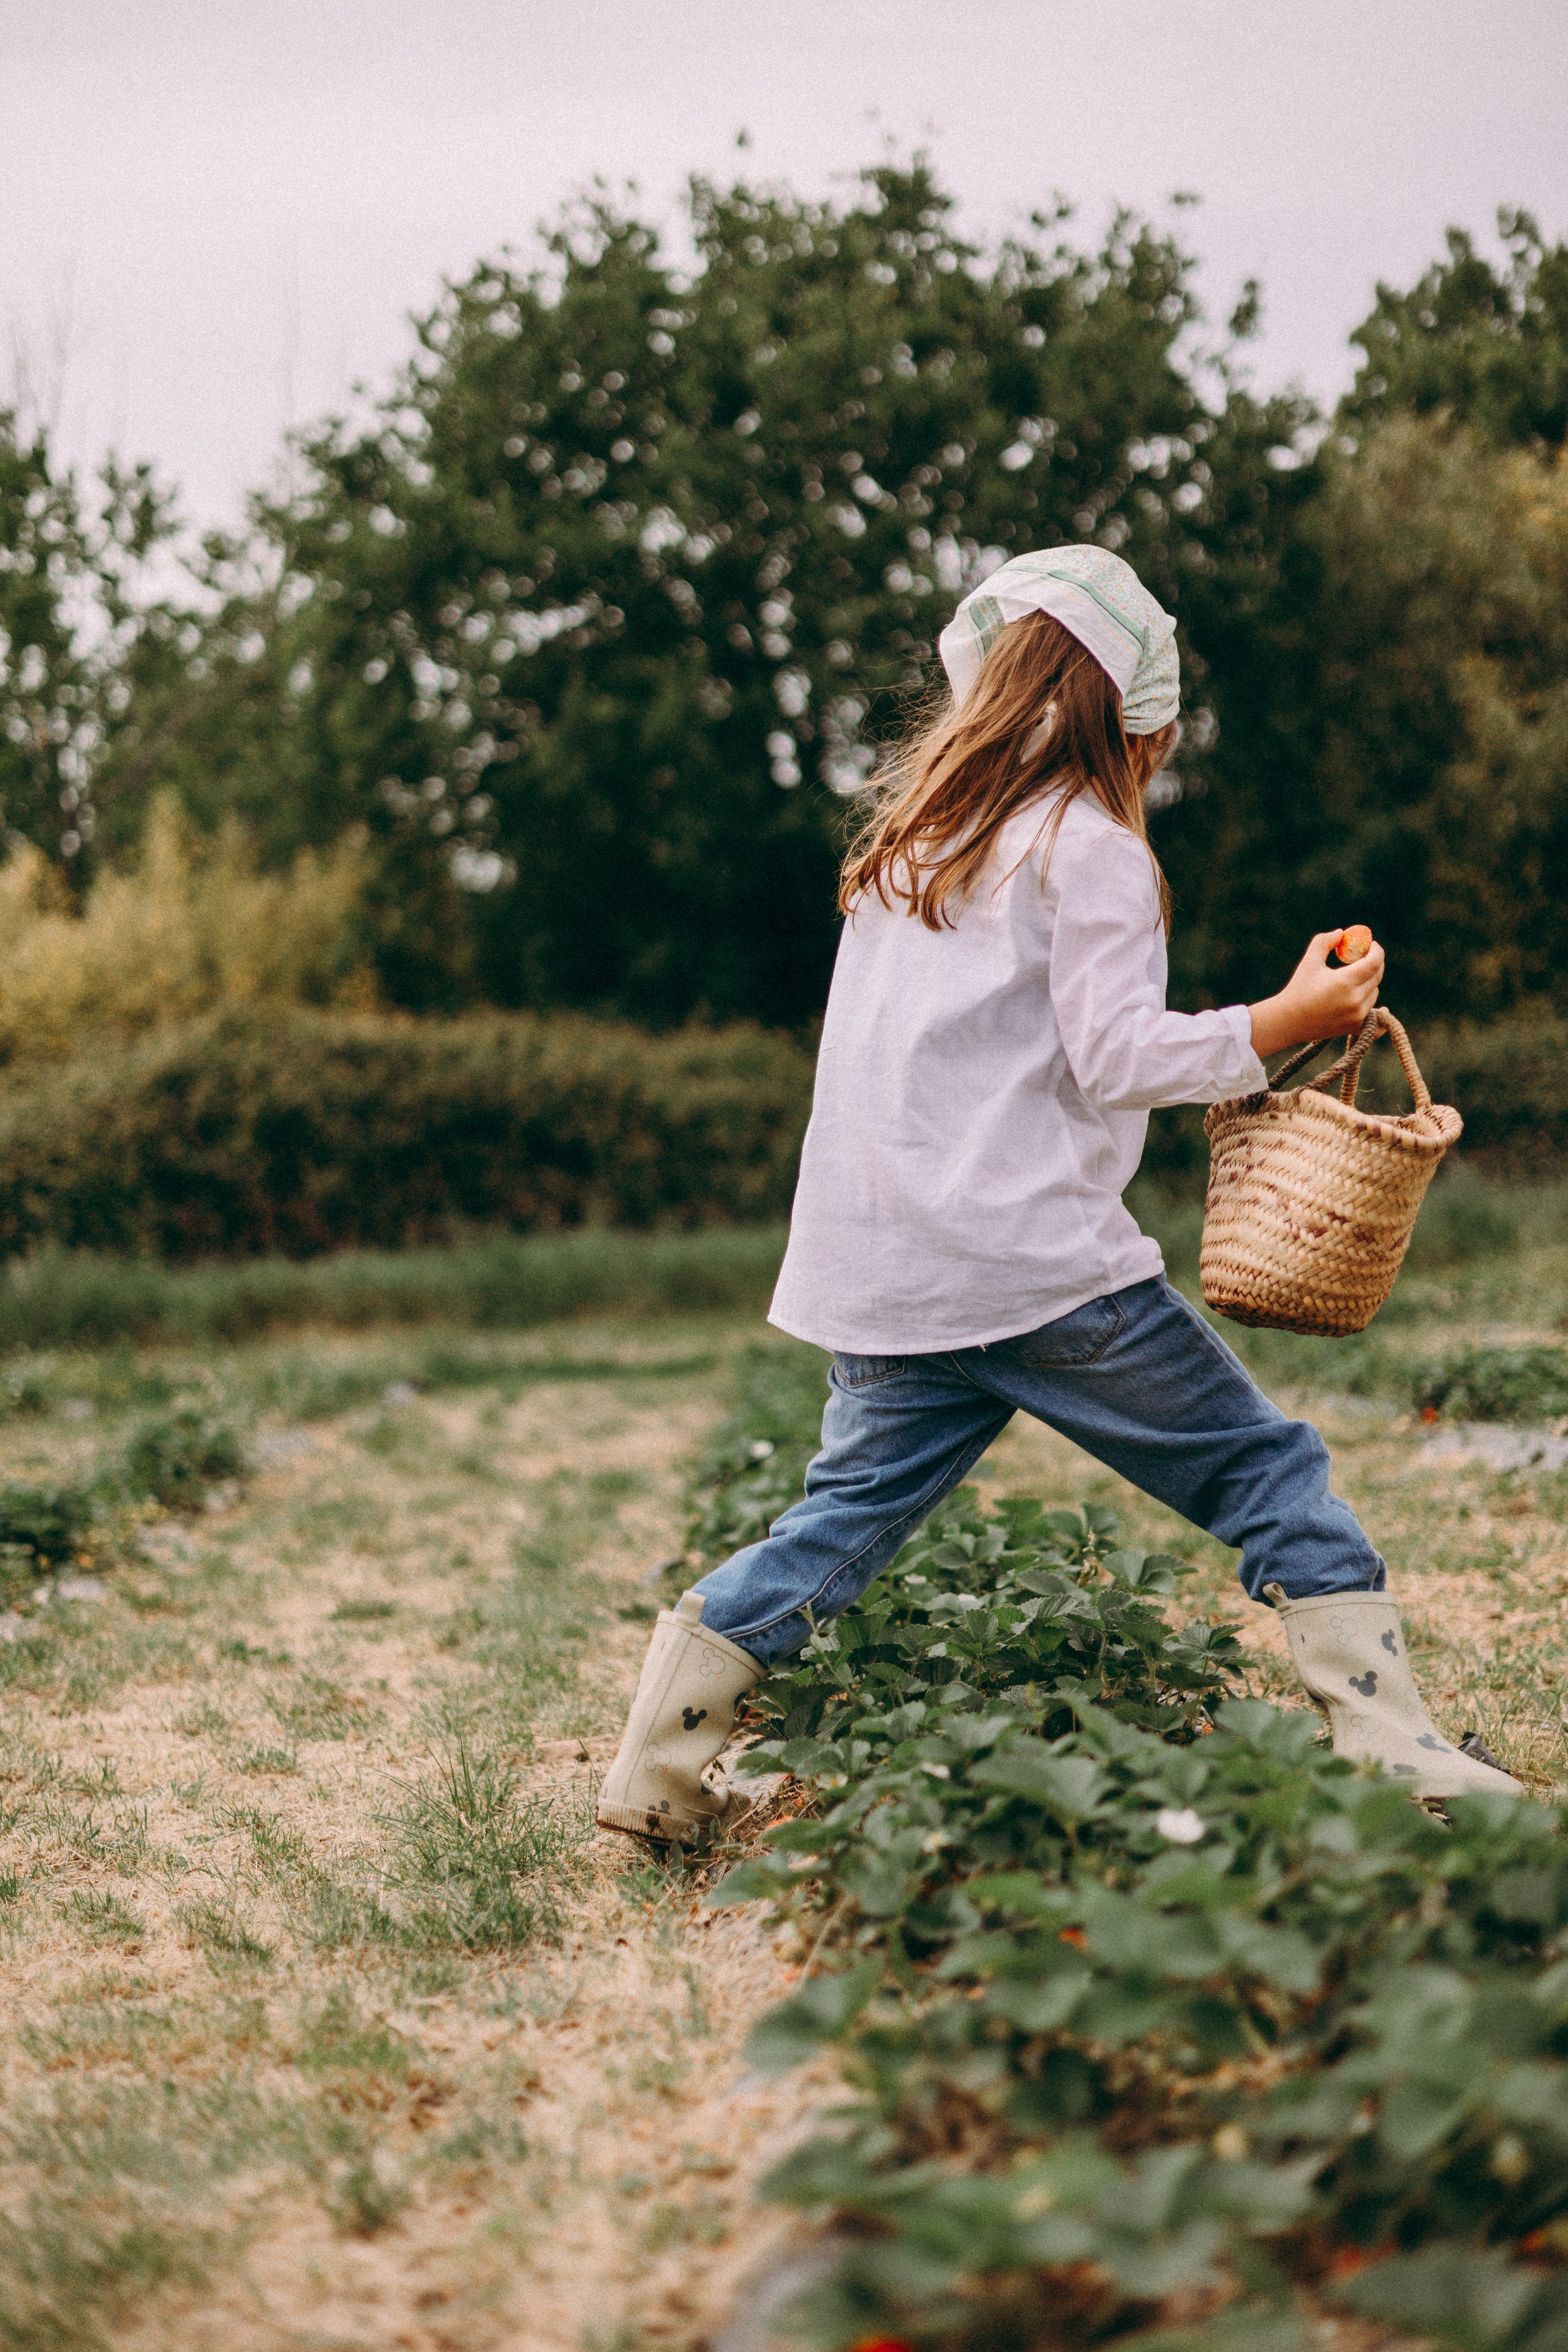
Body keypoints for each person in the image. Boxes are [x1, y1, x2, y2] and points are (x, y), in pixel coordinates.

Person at [596, 545, 1523, 1844]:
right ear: (1130, 723)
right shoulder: (1085, 853)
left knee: (835, 1527)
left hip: (894, 1275)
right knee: (1267, 1473)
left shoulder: (909, 856)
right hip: (1036, 1275)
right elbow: (1119, 1058)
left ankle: (653, 1771)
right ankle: (1394, 1755)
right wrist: (1280, 1019)